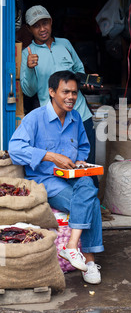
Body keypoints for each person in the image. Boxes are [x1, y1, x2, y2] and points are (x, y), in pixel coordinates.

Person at [8, 70, 103, 284]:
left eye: (74, 93)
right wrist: (50, 156)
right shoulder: (35, 118)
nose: (71, 97)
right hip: (46, 181)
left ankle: (72, 247)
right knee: (92, 204)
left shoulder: (76, 117)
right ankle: (89, 262)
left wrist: (79, 161)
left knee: (87, 182)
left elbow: (83, 147)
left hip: (71, 175)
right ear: (52, 92)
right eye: (65, 92)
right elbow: (15, 149)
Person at [20, 5, 97, 168]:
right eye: (36, 25)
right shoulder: (28, 53)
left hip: (81, 115)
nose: (42, 29)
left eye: (45, 23)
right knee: (61, 167)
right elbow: (29, 91)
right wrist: (29, 67)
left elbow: (78, 71)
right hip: (54, 121)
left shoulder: (65, 44)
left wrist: (87, 81)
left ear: (51, 22)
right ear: (28, 29)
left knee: (88, 166)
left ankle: (91, 194)